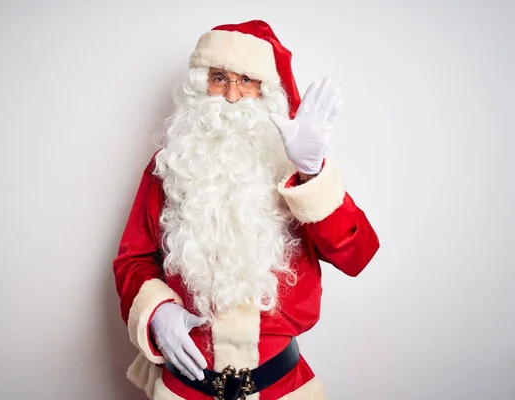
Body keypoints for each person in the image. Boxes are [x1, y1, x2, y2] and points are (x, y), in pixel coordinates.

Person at [113, 19, 380, 400]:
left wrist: (311, 172)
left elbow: (358, 255)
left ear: (266, 91)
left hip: (281, 389)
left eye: (247, 81)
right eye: (220, 78)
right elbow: (133, 259)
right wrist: (156, 313)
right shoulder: (171, 165)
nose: (232, 95)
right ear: (201, 85)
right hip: (186, 390)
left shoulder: (295, 174)